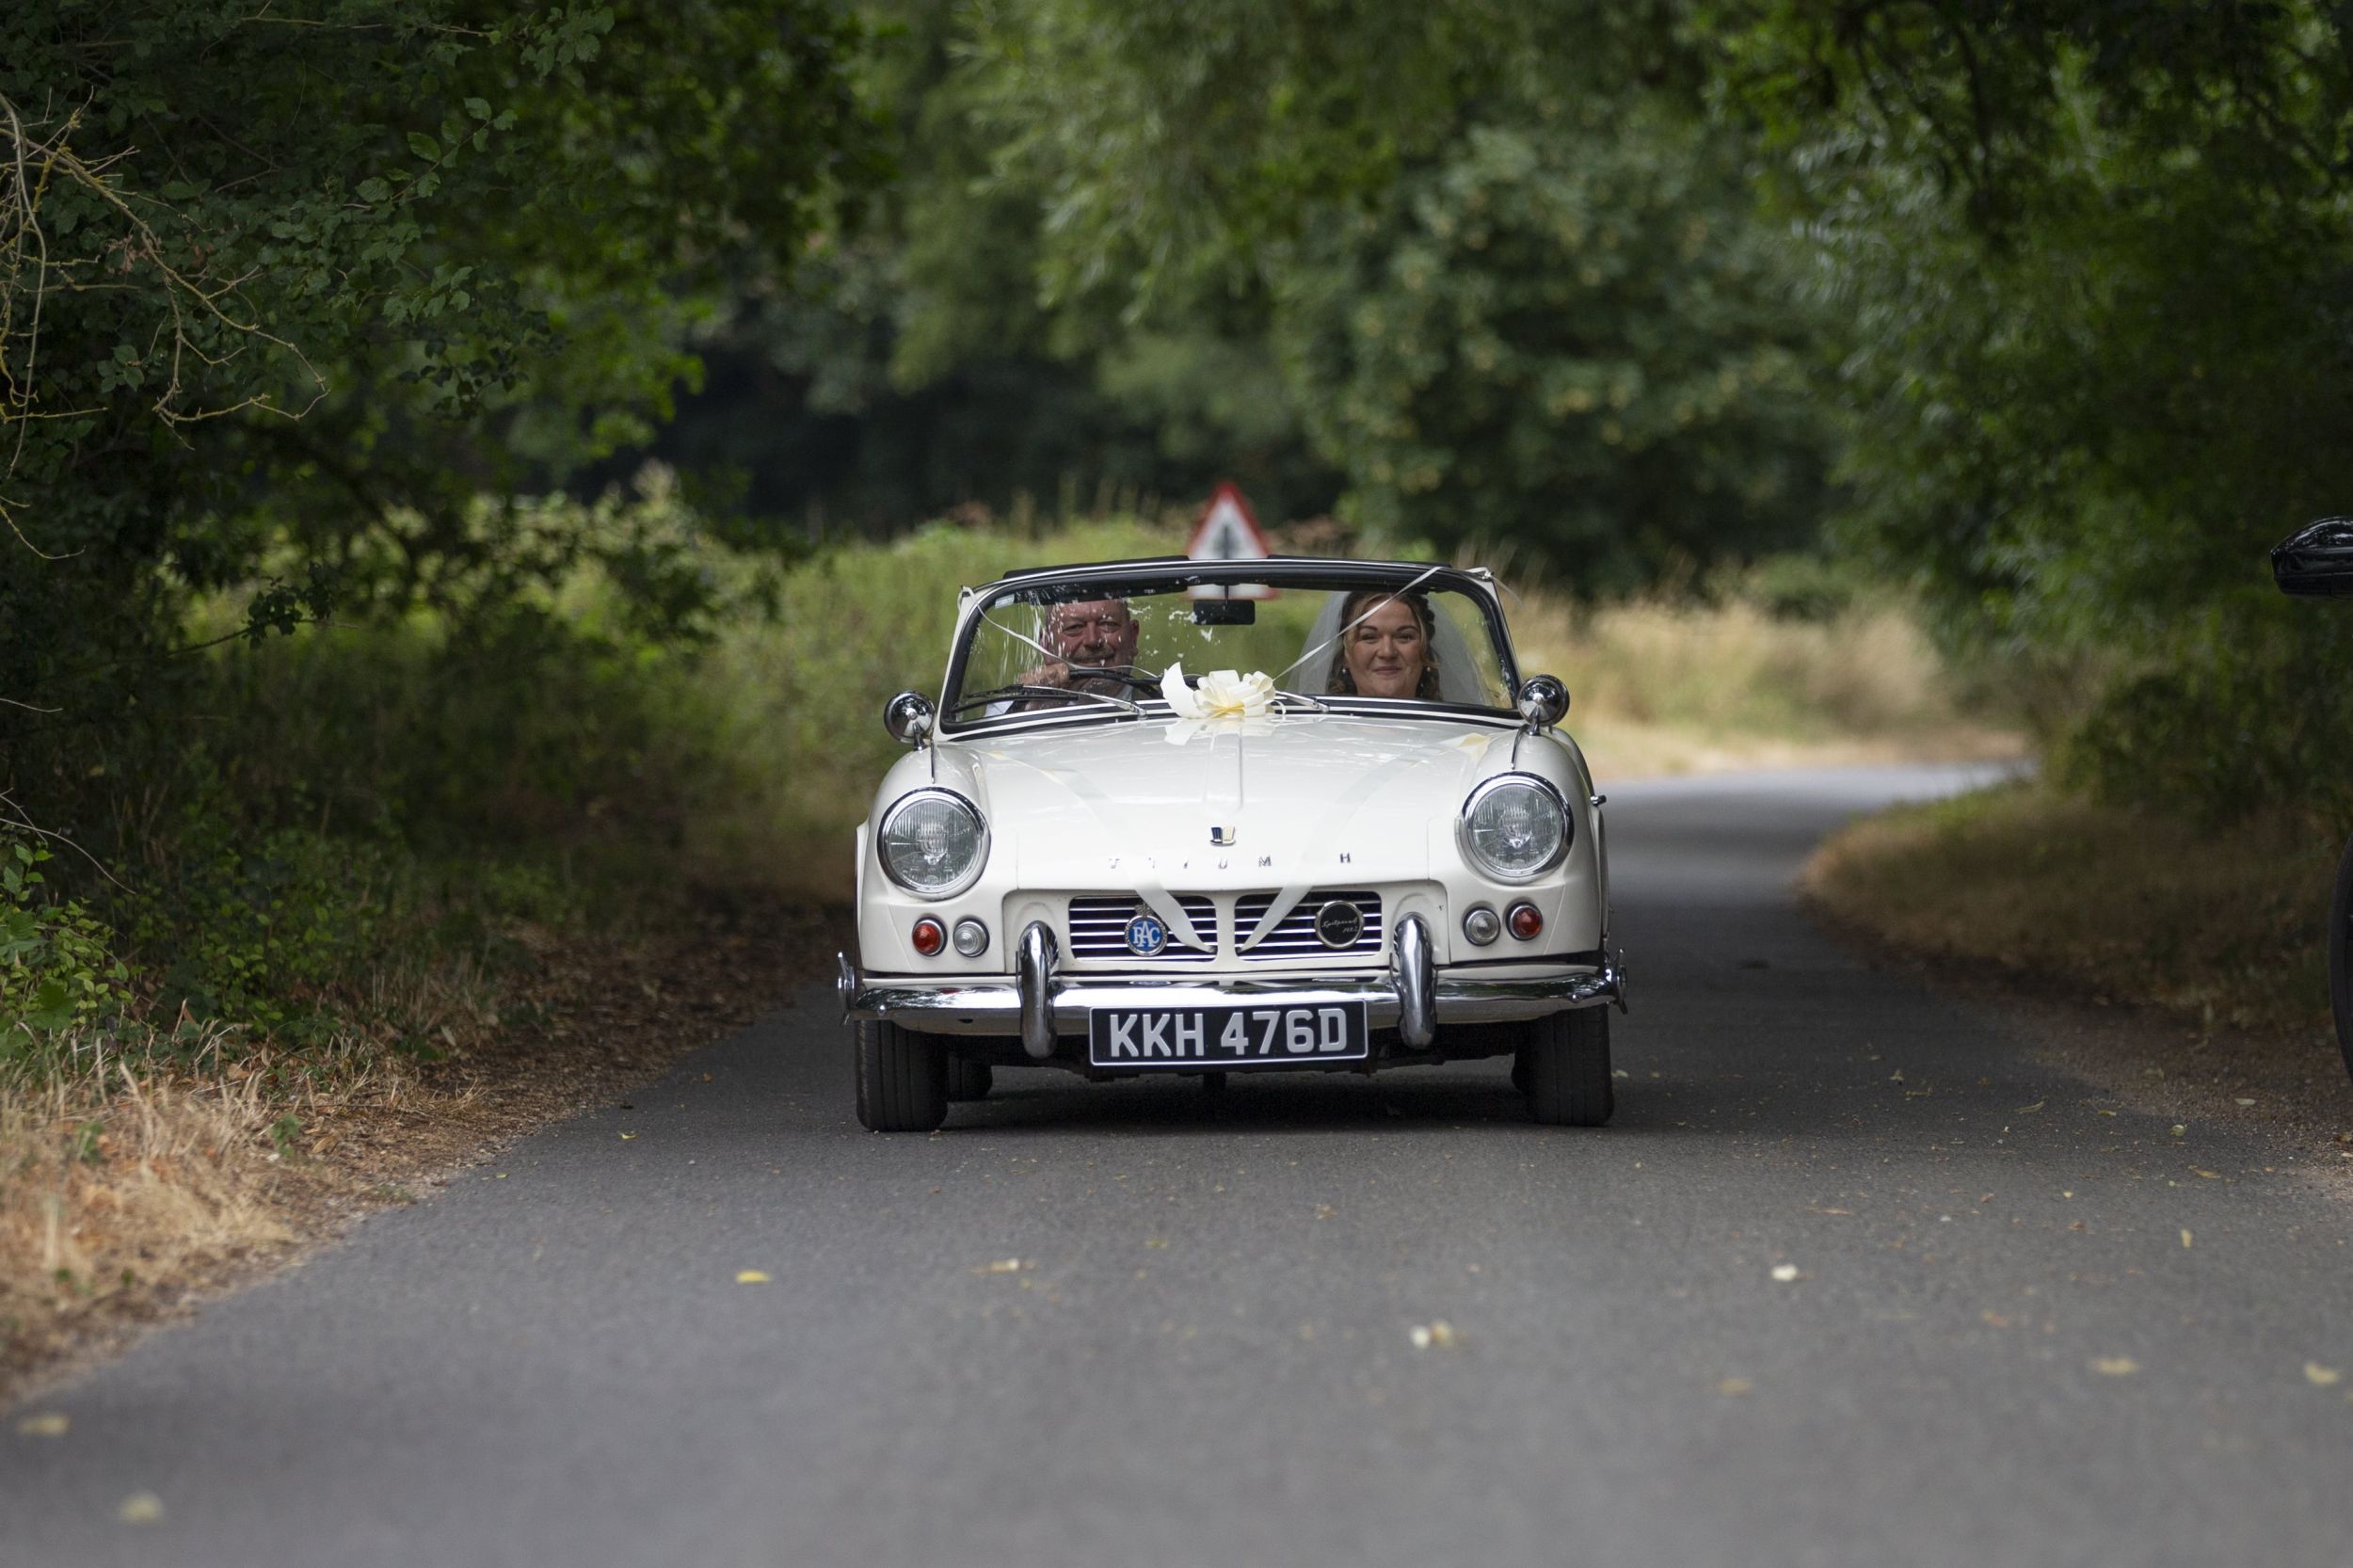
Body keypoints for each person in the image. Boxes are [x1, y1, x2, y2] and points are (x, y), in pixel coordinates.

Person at [1009, 597, 1141, 711]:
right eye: (1074, 627)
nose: (1093, 640)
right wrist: (1035, 709)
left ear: (1133, 637)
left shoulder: (1160, 702)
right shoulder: (1011, 708)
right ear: (1046, 645)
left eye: (1107, 624)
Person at [1326, 588, 1439, 699]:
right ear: (1346, 655)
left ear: (1425, 649)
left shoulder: (1450, 717)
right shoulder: (1318, 718)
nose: (1387, 652)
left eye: (1404, 636)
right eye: (1369, 637)